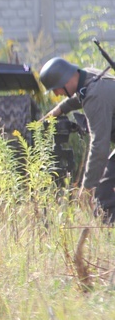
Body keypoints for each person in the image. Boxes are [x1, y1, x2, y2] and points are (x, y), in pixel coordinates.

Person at [40, 57, 115, 222]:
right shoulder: (89, 76)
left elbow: (99, 147)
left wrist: (87, 187)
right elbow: (79, 96)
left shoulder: (95, 95)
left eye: (56, 89)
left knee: (104, 192)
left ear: (65, 81)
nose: (56, 94)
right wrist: (56, 111)